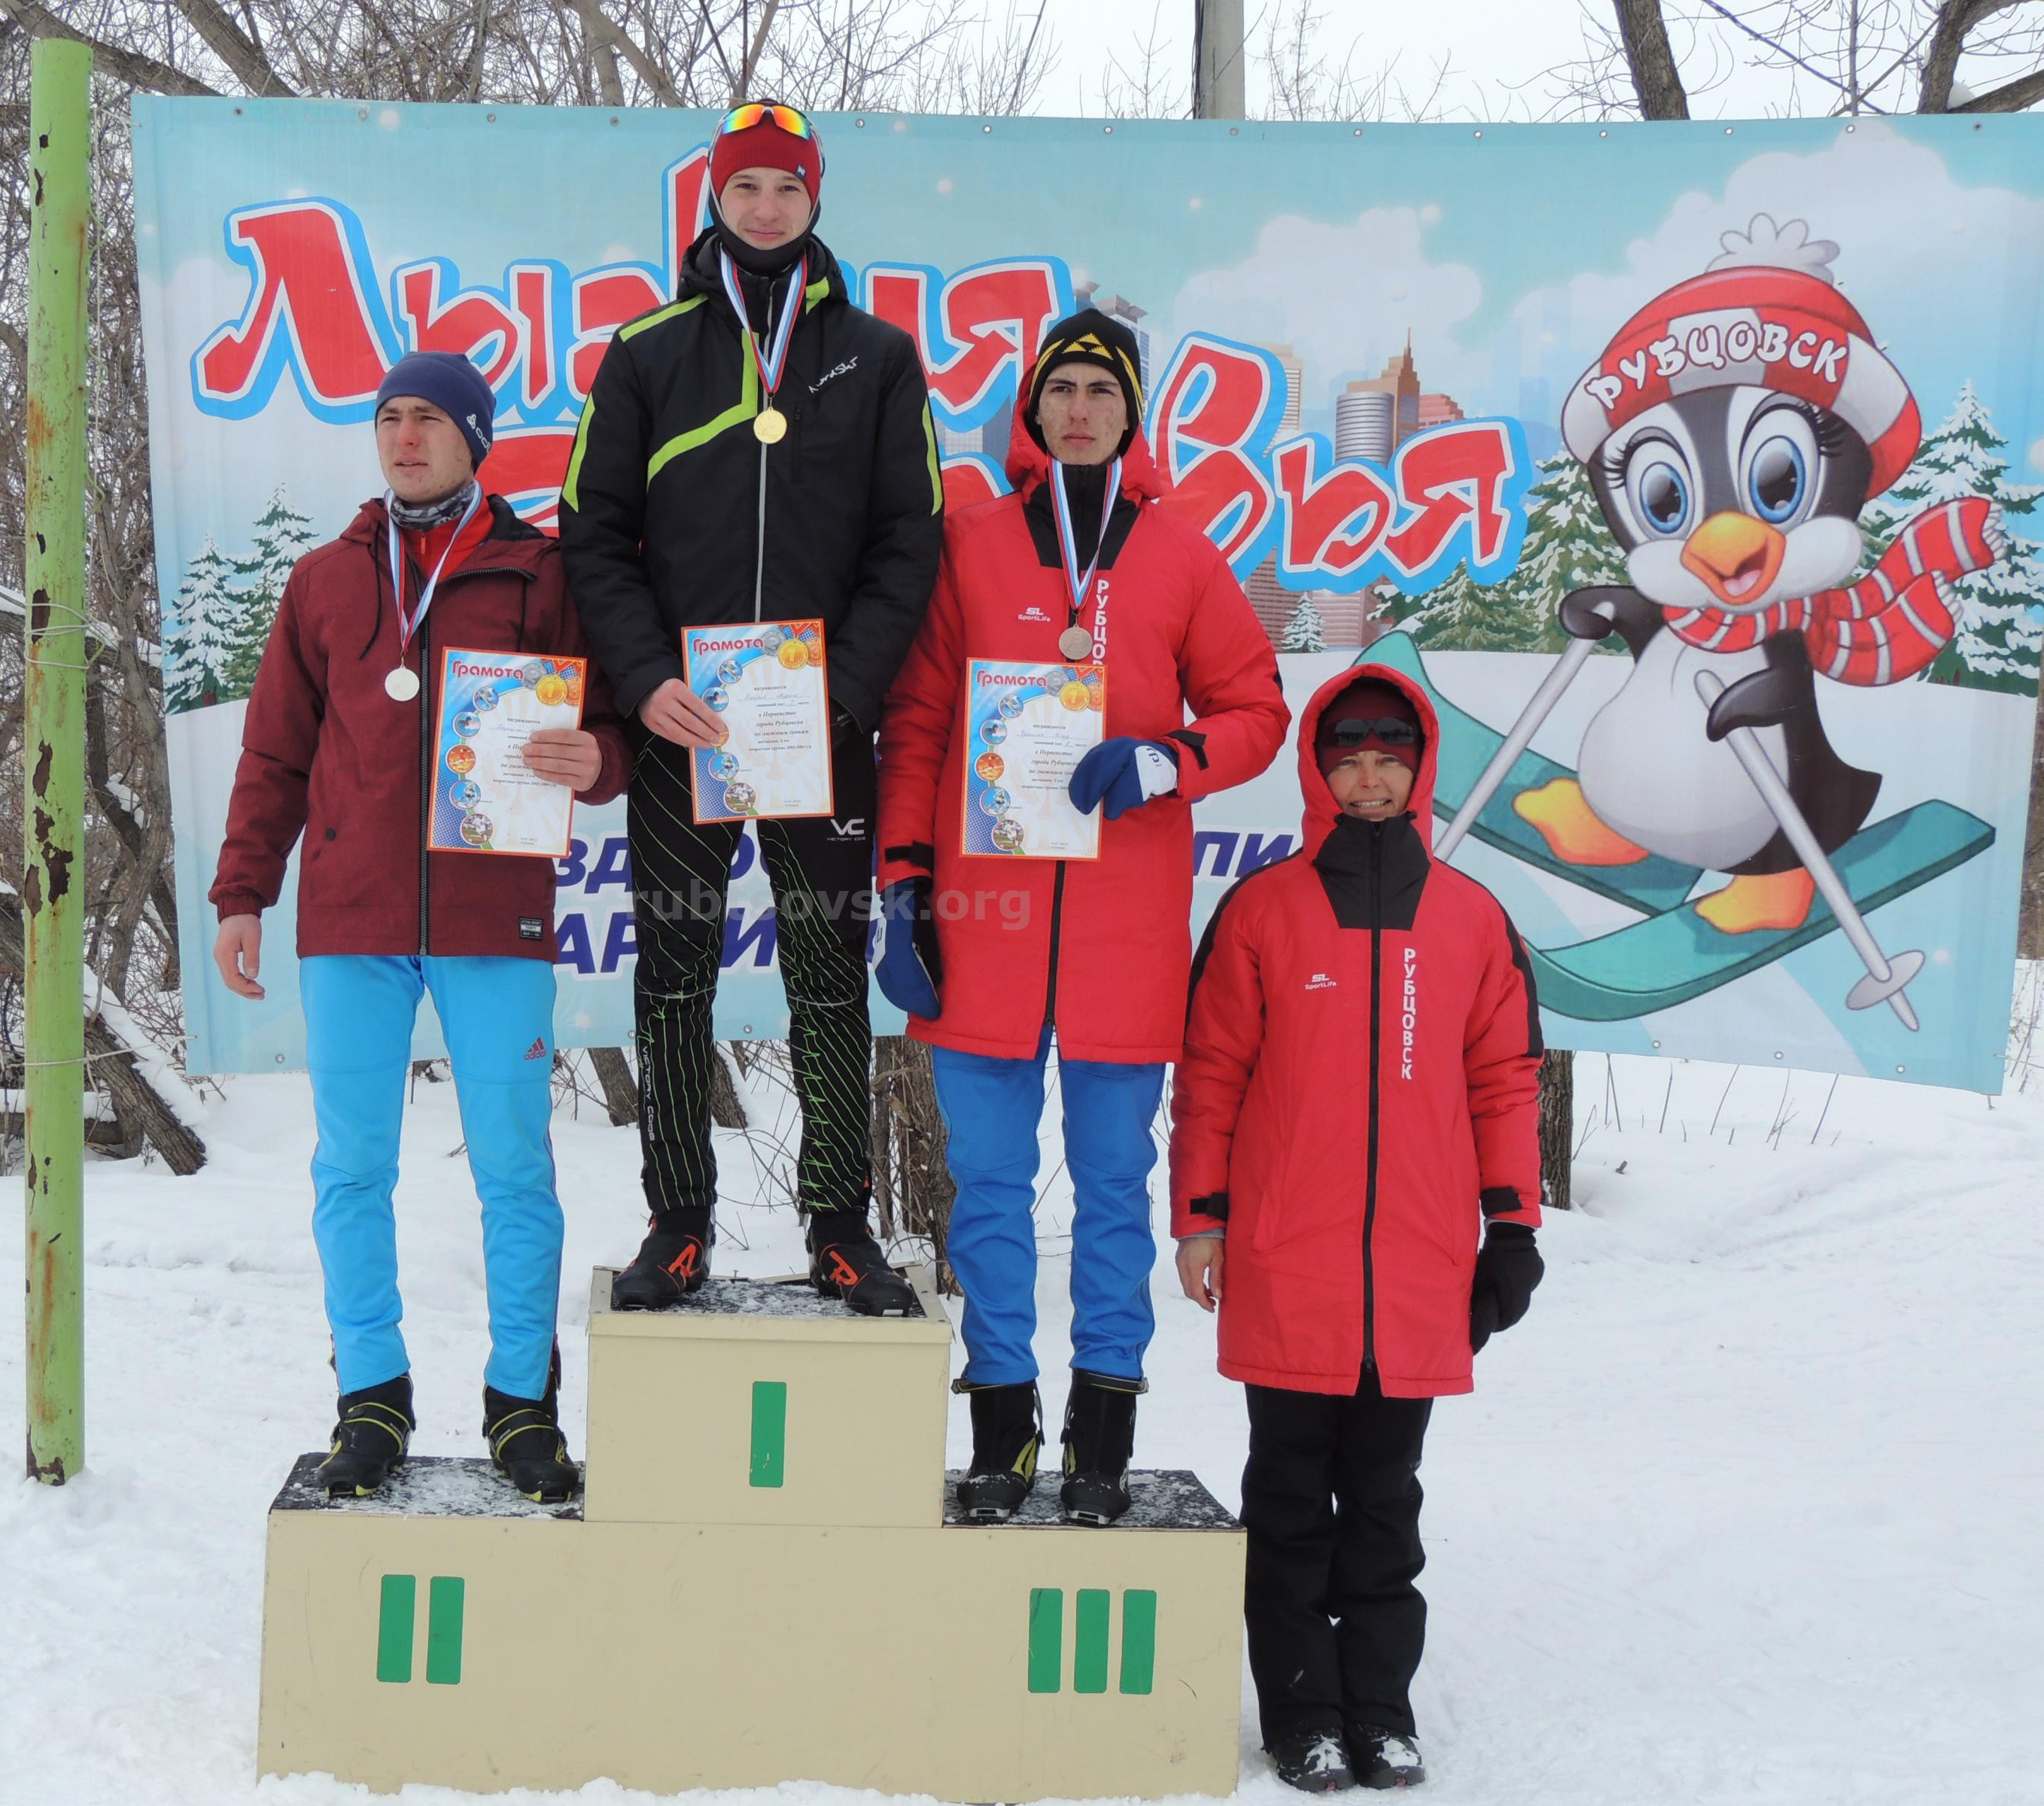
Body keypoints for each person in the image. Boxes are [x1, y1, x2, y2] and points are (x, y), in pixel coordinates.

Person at [871, 309, 1289, 1524]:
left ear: (1131, 413)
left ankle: (1103, 1426)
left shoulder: (1181, 555)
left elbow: (1256, 709)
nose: (1080, 408)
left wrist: (1169, 759)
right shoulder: (972, 544)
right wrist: (904, 882)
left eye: (1102, 390)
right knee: (988, 1187)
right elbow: (920, 724)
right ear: (1033, 408)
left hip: (1124, 933)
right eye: (1061, 387)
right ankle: (1002, 1424)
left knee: (1114, 1186)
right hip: (986, 923)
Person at [209, 351, 632, 1501]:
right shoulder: (326, 582)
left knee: (514, 1170)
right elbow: (274, 753)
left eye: (430, 419)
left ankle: (520, 1403)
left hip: (495, 914)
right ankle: (372, 1395)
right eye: (390, 417)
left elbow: (612, 723)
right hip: (352, 920)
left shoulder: (541, 573)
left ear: (474, 439)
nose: (405, 436)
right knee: (351, 1168)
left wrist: (599, 760)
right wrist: (244, 893)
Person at [558, 102, 944, 1313]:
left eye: (787, 187)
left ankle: (840, 1222)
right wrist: (643, 680)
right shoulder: (647, 353)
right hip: (684, 730)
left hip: (819, 732)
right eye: (746, 188)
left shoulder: (878, 358)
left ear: (815, 199)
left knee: (828, 975)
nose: (767, 207)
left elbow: (910, 542)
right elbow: (592, 534)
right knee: (674, 974)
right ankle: (679, 1221)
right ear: (714, 201)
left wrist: (846, 691)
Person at [1169, 668, 1547, 1792]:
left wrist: (1512, 1228)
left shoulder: (1471, 918)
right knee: (1289, 1503)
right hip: (1289, 1260)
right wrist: (1201, 1220)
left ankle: (1380, 1710)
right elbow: (1212, 1075)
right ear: (1319, 770)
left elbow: (1506, 1082)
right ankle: (1303, 1716)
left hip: (1421, 1269)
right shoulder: (1263, 910)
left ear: (1419, 770)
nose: (1369, 777)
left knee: (1386, 1506)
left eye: (1389, 757)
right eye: (1349, 758)